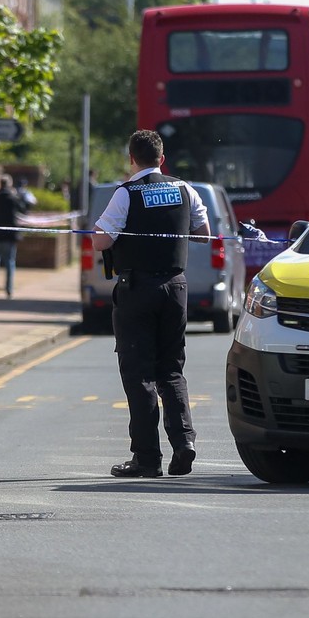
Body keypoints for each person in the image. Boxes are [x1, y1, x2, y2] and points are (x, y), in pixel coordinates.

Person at [92, 130, 209, 478]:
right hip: (176, 287)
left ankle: (146, 458)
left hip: (137, 289)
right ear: (162, 157)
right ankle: (184, 443)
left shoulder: (126, 193)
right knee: (171, 370)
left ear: (131, 158)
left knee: (139, 374)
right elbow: (202, 232)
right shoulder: (185, 189)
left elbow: (101, 241)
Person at [0, 175, 31, 299]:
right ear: (9, 184)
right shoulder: (13, 198)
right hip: (9, 237)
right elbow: (23, 211)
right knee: (10, 263)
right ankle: (9, 290)